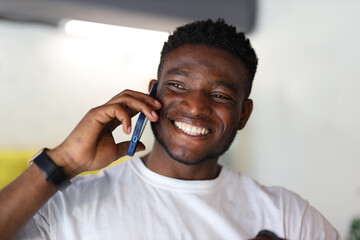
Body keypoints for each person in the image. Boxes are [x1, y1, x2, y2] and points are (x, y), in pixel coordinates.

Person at [0, 19, 340, 240]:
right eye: (178, 85)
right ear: (153, 92)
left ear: (243, 114)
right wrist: (64, 161)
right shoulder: (67, 204)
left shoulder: (289, 218)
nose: (195, 106)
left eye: (220, 95)